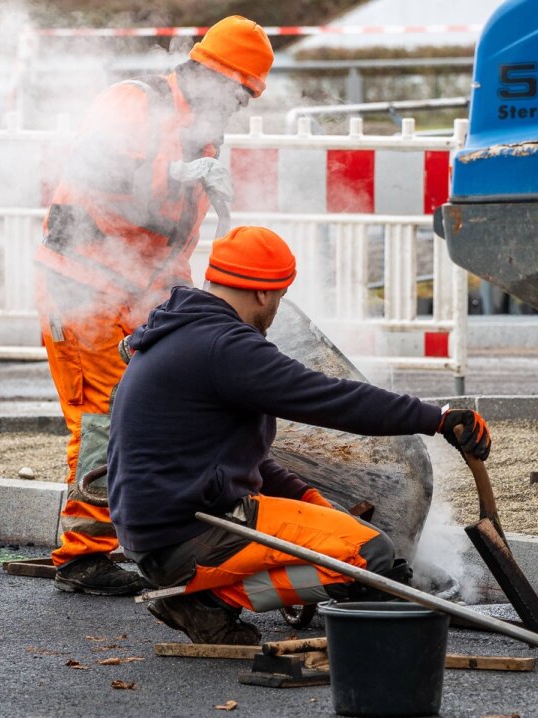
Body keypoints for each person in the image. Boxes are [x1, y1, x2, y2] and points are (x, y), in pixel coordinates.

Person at [105, 226, 492, 644]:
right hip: (191, 533)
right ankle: (210, 603)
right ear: (262, 293)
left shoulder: (183, 331)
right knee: (372, 559)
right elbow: (331, 399)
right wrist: (438, 418)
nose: (277, 308)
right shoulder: (225, 347)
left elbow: (228, 457)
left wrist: (306, 498)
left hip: (164, 530)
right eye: (280, 296)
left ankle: (205, 599)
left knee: (344, 543)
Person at [34, 17, 273, 595]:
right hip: (83, 289)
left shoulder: (202, 136)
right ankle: (83, 555)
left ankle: (114, 540)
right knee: (102, 417)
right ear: (213, 77)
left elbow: (167, 242)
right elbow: (97, 172)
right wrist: (174, 171)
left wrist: (183, 307)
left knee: (131, 415)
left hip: (135, 296)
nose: (239, 107)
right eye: (240, 93)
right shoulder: (134, 101)